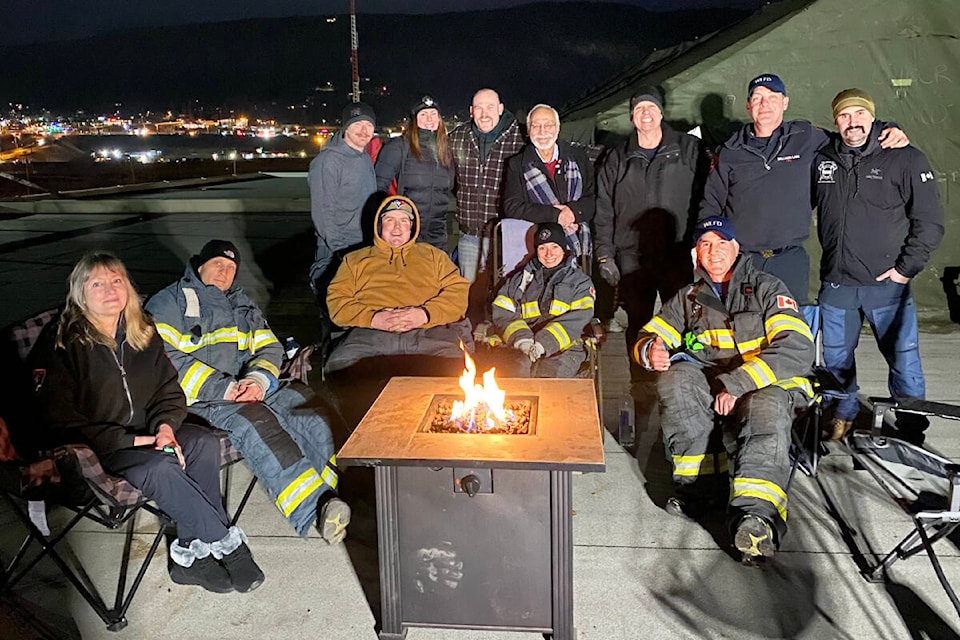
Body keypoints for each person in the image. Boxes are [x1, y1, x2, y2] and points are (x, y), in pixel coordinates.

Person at [30, 252, 264, 593]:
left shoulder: (143, 330)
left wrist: (165, 428)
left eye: (117, 281)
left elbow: (168, 389)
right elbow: (60, 420)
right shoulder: (63, 342)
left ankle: (189, 556)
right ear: (81, 293)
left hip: (149, 431)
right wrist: (140, 442)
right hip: (98, 448)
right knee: (159, 466)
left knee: (202, 442)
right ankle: (228, 543)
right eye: (97, 283)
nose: (110, 290)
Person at [633, 217, 814, 559]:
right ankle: (701, 489)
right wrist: (650, 350)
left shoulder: (767, 288)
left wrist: (737, 383)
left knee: (765, 410)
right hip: (717, 383)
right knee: (675, 381)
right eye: (705, 244)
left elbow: (797, 347)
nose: (713, 252)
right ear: (696, 253)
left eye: (720, 244)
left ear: (735, 248)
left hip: (768, 384)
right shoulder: (688, 298)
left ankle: (756, 519)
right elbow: (652, 334)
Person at [146, 240, 351, 543]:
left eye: (230, 268)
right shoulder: (168, 303)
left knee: (309, 406)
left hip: (250, 387)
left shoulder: (241, 303)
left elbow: (270, 346)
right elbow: (165, 361)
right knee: (259, 425)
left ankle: (341, 492)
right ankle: (316, 509)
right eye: (217, 263)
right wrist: (228, 388)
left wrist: (257, 381)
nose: (224, 272)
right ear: (198, 265)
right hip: (203, 398)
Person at [700, 73, 908, 302]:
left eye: (772, 97)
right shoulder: (730, 150)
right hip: (742, 259)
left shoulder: (806, 136)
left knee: (790, 331)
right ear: (748, 105)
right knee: (741, 327)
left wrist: (887, 128)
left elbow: (851, 136)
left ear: (785, 103)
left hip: (789, 259)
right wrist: (705, 246)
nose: (765, 104)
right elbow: (711, 202)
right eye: (757, 98)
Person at [813, 89, 945, 443]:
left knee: (903, 359)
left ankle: (910, 427)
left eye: (859, 114)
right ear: (835, 120)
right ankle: (841, 414)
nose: (852, 122)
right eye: (844, 115)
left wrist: (905, 269)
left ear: (873, 118)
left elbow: (929, 221)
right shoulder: (823, 158)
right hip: (838, 283)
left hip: (887, 285)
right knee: (836, 360)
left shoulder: (905, 158)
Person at [593, 86, 708, 381]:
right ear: (632, 117)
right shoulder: (617, 157)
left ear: (661, 112)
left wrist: (702, 242)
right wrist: (605, 254)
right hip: (632, 256)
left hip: (676, 253)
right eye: (639, 109)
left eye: (651, 108)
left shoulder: (688, 150)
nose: (646, 113)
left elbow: (705, 197)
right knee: (638, 324)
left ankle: (681, 384)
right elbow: (604, 209)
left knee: (682, 323)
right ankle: (642, 392)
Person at [325, 195, 472, 373]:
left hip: (428, 332)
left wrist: (424, 314)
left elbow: (458, 293)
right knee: (339, 366)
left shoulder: (434, 256)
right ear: (379, 225)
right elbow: (337, 301)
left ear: (412, 226)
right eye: (390, 220)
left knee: (458, 367)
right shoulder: (354, 260)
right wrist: (373, 318)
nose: (397, 228)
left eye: (404, 221)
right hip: (371, 333)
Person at [492, 222, 596, 378]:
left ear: (563, 248)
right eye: (542, 248)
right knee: (511, 380)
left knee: (546, 382)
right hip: (523, 345)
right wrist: (522, 341)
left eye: (554, 247)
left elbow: (579, 318)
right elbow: (503, 311)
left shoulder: (580, 281)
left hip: (565, 348)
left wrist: (544, 343)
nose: (549, 254)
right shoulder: (520, 279)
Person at [449, 88, 525, 282]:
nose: (484, 114)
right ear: (471, 111)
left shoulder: (520, 138)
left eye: (490, 107)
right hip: (469, 236)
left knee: (505, 293)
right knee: (470, 293)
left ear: (500, 108)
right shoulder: (457, 137)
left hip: (504, 236)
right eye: (479, 108)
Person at [502, 104, 596, 260]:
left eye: (548, 125)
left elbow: (592, 197)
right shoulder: (517, 164)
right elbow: (512, 206)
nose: (542, 131)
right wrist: (556, 215)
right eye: (536, 126)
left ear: (558, 128)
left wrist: (573, 212)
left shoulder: (578, 156)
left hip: (580, 243)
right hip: (540, 249)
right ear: (528, 130)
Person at [308, 101, 378, 298]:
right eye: (357, 125)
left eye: (369, 125)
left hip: (364, 246)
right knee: (336, 314)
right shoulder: (327, 162)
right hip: (337, 251)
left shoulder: (364, 158)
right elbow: (323, 212)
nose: (364, 131)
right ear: (346, 127)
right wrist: (340, 251)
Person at [375, 95, 455, 252]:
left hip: (438, 233)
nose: (429, 119)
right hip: (407, 233)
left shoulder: (446, 150)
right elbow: (377, 187)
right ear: (414, 120)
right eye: (423, 114)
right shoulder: (399, 146)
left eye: (433, 114)